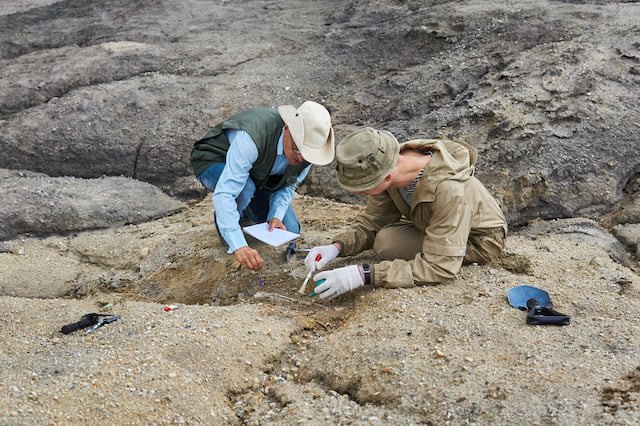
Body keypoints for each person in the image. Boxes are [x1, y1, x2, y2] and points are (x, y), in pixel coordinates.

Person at [305, 127, 507, 299]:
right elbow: (373, 221)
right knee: (386, 240)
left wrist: (364, 274)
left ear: (386, 177)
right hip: (429, 224)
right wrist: (337, 247)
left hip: (478, 240)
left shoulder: (449, 190)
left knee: (388, 245)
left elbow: (440, 267)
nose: (358, 192)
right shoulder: (387, 162)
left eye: (361, 187)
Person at [191, 101, 334, 271]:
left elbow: (287, 185)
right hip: (214, 161)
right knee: (244, 188)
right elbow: (225, 193)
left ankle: (243, 212)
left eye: (308, 153)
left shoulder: (307, 156)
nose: (301, 158)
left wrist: (276, 216)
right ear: (287, 129)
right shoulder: (253, 136)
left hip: (257, 175)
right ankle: (230, 220)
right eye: (298, 149)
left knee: (290, 228)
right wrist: (238, 245)